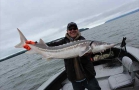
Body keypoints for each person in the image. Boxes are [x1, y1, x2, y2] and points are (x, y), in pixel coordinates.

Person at [24, 22, 101, 90]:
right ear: (67, 31)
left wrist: (93, 52)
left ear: (77, 30)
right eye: (70, 29)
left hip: (88, 77)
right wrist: (34, 44)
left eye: (74, 28)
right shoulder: (63, 41)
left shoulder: (84, 41)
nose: (72, 30)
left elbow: (93, 53)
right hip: (74, 80)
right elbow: (50, 45)